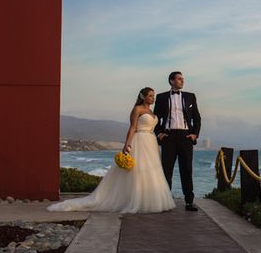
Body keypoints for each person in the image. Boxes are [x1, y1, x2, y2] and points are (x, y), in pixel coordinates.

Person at [47, 87, 175, 214]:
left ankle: (152, 200)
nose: (153, 98)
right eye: (150, 96)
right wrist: (127, 144)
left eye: (153, 95)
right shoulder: (137, 109)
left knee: (152, 170)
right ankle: (137, 201)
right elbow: (132, 128)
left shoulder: (152, 112)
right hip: (140, 140)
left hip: (151, 142)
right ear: (143, 96)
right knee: (138, 171)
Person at [154, 71, 201, 211]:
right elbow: (155, 118)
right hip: (168, 137)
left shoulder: (190, 96)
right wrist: (159, 133)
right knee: (167, 170)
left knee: (186, 169)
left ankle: (189, 201)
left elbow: (197, 118)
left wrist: (195, 135)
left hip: (186, 137)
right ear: (171, 81)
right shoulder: (161, 97)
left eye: (183, 79)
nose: (182, 81)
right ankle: (165, 201)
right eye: (179, 79)